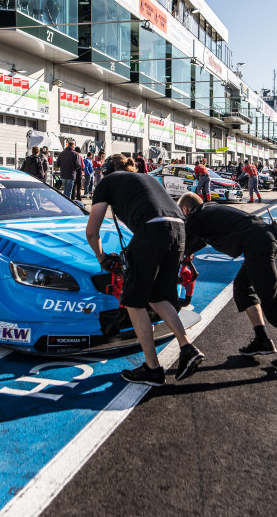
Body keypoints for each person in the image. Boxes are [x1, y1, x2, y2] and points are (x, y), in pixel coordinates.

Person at [86, 154, 204, 386]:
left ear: (107, 169)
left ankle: (152, 369)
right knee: (158, 296)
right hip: (179, 230)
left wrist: (102, 258)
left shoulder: (108, 182)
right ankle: (187, 347)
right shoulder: (146, 178)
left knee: (133, 301)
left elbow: (92, 232)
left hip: (153, 230)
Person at [178, 192, 277, 374]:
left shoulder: (196, 217)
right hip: (263, 239)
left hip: (259, 245)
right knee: (242, 288)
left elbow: (180, 244)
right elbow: (200, 240)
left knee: (272, 303)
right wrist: (188, 252)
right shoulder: (209, 211)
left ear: (185, 209)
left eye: (182, 214)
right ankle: (262, 340)